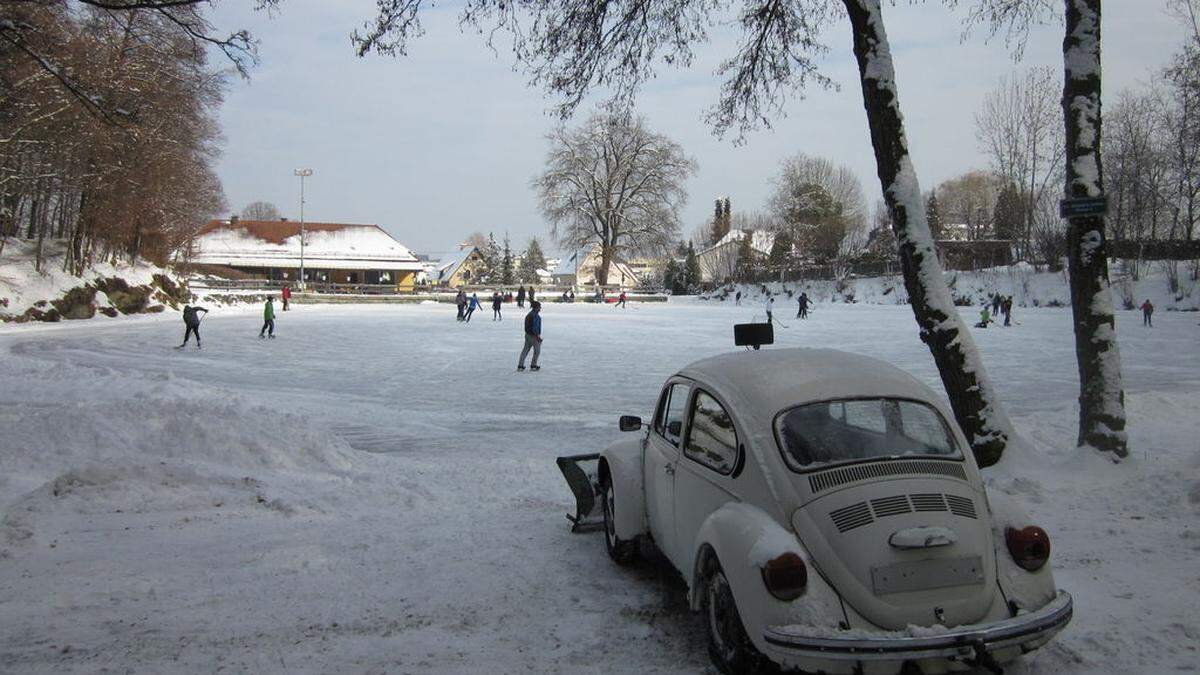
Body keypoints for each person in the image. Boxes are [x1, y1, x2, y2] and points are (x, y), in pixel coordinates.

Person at [518, 300, 542, 371]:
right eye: (539, 307)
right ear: (536, 307)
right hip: (534, 336)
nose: (540, 308)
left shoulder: (529, 314)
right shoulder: (535, 316)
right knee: (537, 351)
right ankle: (533, 364)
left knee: (525, 350)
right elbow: (535, 327)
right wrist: (537, 336)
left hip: (527, 334)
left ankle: (520, 365)